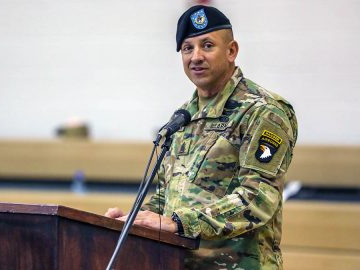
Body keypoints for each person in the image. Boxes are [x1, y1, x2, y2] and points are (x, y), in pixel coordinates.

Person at [105, 5, 298, 270]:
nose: (196, 56)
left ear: (231, 51)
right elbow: (166, 197)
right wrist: (133, 221)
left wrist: (180, 222)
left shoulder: (264, 111)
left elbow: (257, 198)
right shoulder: (184, 117)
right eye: (187, 48)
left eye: (207, 45)